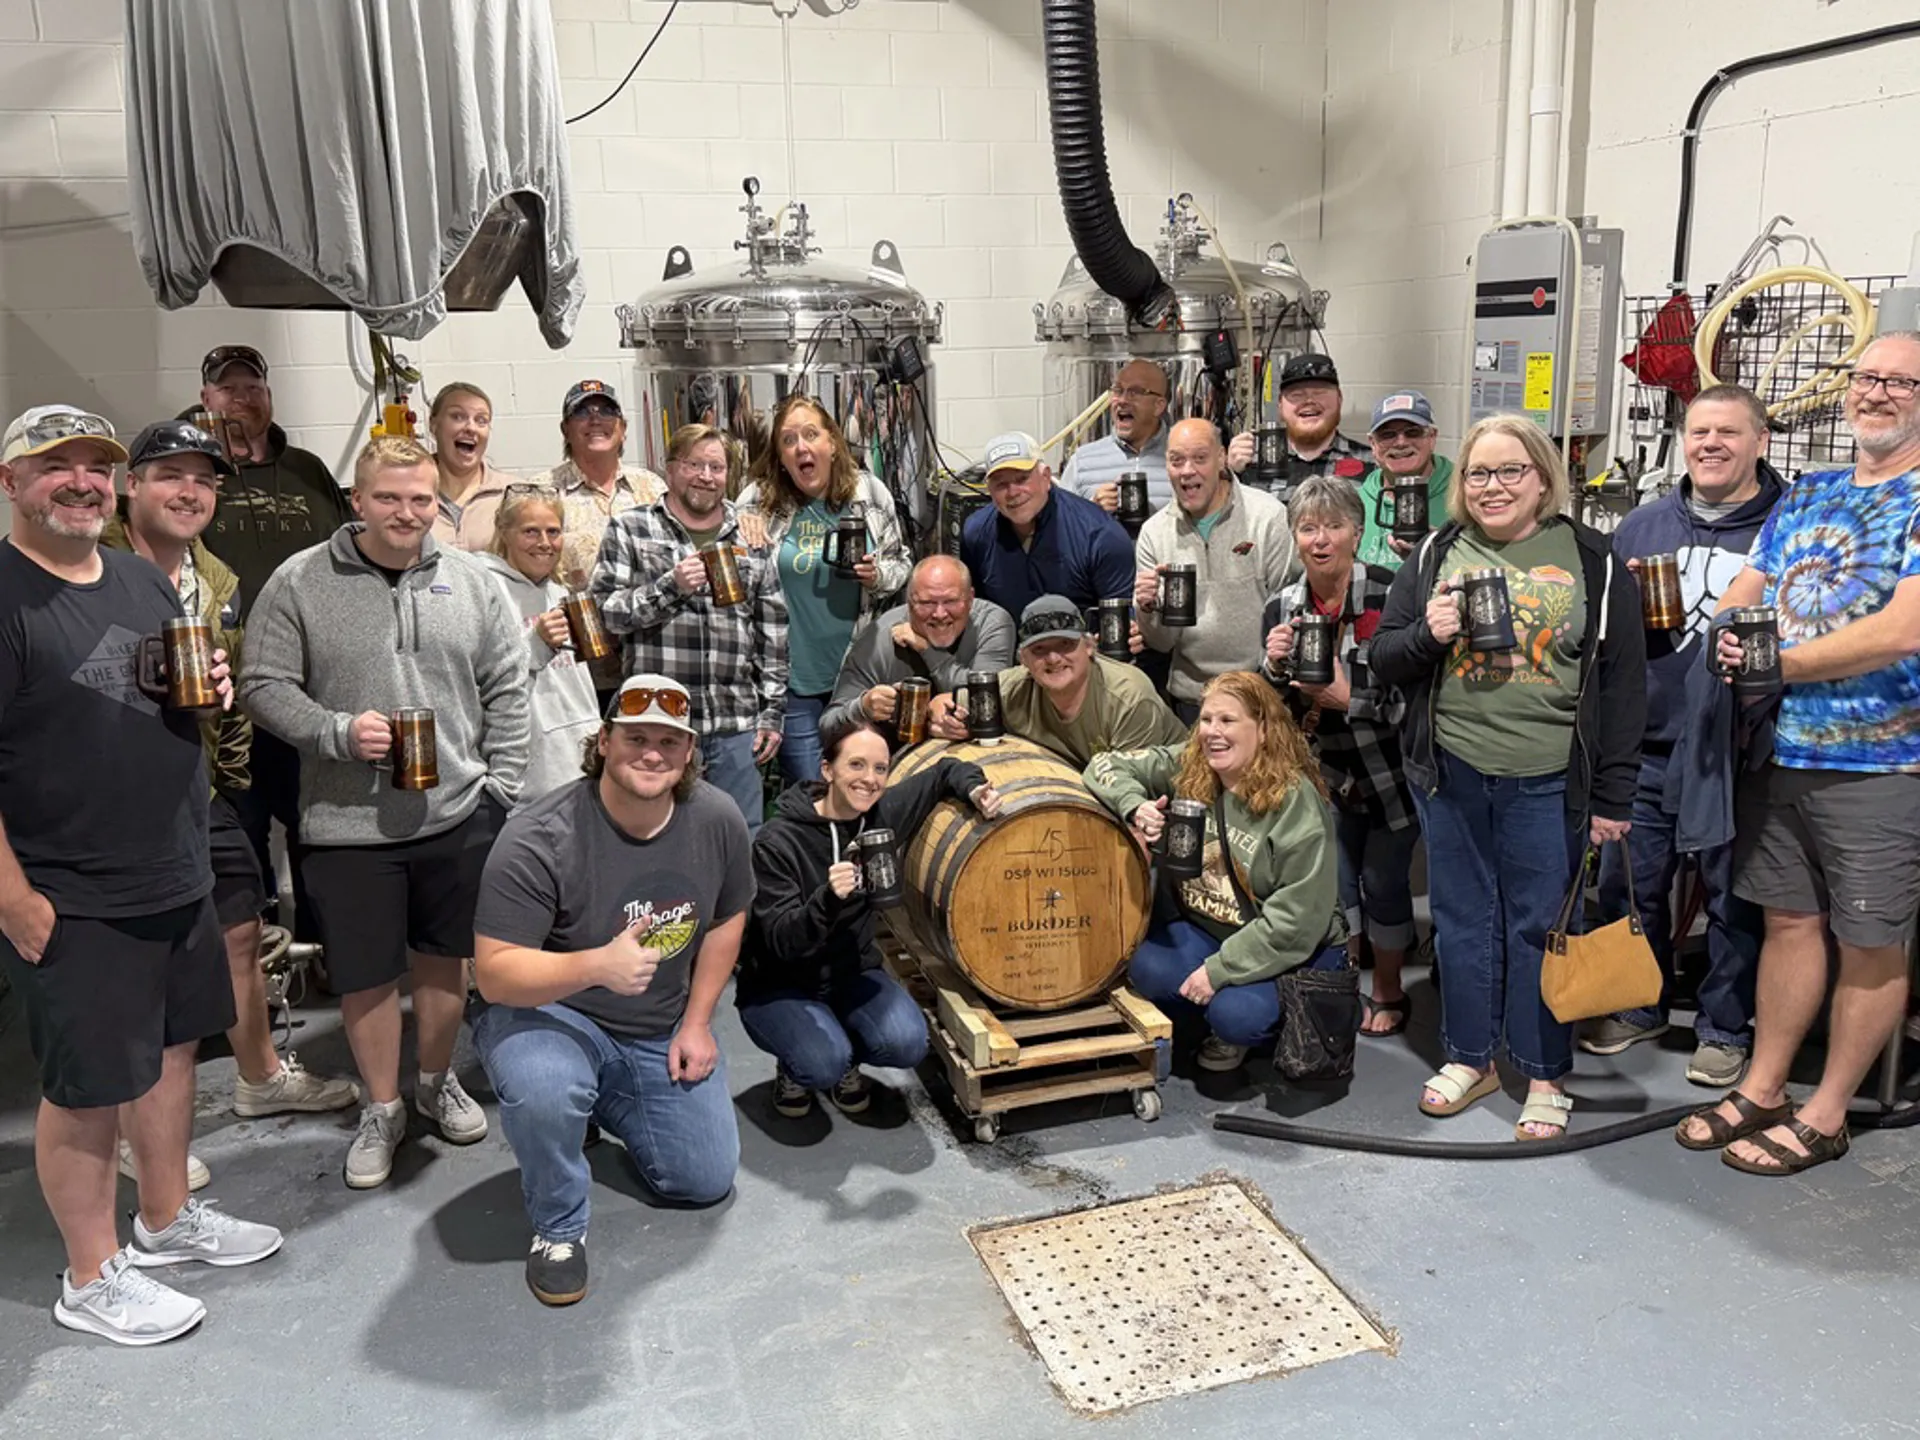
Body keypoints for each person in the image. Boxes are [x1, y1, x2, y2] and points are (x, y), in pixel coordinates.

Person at [0, 405, 282, 1347]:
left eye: (96, 466)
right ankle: (90, 1273)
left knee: (168, 1056)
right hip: (70, 889)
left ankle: (164, 1221)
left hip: (176, 864)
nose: (81, 481)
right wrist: (14, 900)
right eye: (55, 467)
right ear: (11, 484)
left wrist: (212, 692)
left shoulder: (137, 578)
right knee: (84, 1086)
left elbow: (159, 692)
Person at [241, 436, 530, 1189]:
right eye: (390, 498)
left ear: (439, 503)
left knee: (444, 961)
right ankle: (381, 1107)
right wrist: (337, 733)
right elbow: (263, 685)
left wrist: (502, 788)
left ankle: (435, 1082)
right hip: (345, 824)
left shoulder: (471, 581)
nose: (407, 513)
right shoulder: (299, 581)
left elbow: (507, 686)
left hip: (456, 812)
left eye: (421, 499)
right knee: (367, 976)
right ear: (357, 502)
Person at [1679, 333, 1920, 1176]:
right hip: (1785, 749)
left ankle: (1829, 1110)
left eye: (1899, 380)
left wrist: (1774, 659)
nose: (1876, 393)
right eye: (1866, 378)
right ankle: (1766, 1085)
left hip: (1887, 763)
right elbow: (1750, 588)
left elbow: (1904, 629)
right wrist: (1729, 634)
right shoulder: (1808, 493)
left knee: (1869, 939)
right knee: (1788, 922)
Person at [1372, 414, 1645, 1141]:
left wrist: (1614, 796)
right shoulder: (1436, 552)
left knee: (1541, 928)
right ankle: (1471, 1057)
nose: (1492, 487)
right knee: (1461, 922)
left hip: (1550, 778)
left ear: (1542, 478)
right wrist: (1426, 635)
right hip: (1454, 772)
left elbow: (1623, 690)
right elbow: (1384, 658)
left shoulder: (1596, 561)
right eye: (1478, 474)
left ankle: (1545, 1070)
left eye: (1510, 471)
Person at [106, 421, 359, 1192]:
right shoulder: (95, 568)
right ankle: (131, 1128)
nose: (189, 492)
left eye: (204, 480)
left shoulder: (210, 577)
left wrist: (232, 768)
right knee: (137, 961)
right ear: (132, 488)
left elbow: (234, 688)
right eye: (170, 476)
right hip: (115, 801)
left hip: (201, 787)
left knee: (241, 931)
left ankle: (259, 1076)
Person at [471, 675, 751, 1307]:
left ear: (688, 755)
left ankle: (600, 1101)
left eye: (668, 742)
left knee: (702, 1179)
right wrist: (596, 965)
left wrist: (699, 1021)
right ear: (603, 742)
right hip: (552, 1017)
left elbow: (729, 916)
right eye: (634, 738)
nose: (651, 754)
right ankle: (559, 1228)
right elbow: (493, 972)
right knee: (546, 1085)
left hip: (657, 1027)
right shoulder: (539, 835)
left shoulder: (716, 817)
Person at [1582, 385, 1781, 1084]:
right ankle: (1638, 1005)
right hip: (1647, 743)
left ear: (1761, 440)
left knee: (1734, 897)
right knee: (1628, 886)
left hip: (1740, 750)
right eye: (1699, 432)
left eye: (1729, 432)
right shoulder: (1639, 526)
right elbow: (1603, 634)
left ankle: (1725, 1028)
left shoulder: (1788, 523)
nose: (1711, 444)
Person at [1085, 671, 1350, 1072]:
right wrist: (1133, 804)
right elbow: (1103, 765)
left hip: (1294, 948)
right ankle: (1208, 1009)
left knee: (1236, 1015)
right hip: (1215, 927)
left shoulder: (1295, 801)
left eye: (1228, 721)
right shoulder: (1192, 766)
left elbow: (1296, 922)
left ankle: (1261, 1023)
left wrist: (1218, 971)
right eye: (1206, 720)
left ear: (1263, 730)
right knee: (1147, 968)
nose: (1213, 732)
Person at [741, 716, 1000, 1117]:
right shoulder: (778, 841)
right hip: (782, 984)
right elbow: (779, 940)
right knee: (819, 1063)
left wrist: (975, 789)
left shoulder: (881, 812)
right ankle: (799, 1063)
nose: (870, 779)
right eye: (856, 765)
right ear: (827, 769)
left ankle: (844, 1054)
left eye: (880, 768)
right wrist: (827, 900)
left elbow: (944, 771)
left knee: (908, 1043)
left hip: (851, 971)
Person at [192, 343, 353, 954]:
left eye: (252, 386)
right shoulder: (194, 471)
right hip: (225, 690)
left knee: (317, 821)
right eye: (227, 388)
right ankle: (261, 963)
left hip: (310, 685)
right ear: (207, 398)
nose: (241, 396)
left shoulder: (309, 470)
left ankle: (328, 947)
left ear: (268, 394)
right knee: (244, 824)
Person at [1262, 475, 1418, 1037]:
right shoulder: (1282, 605)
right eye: (1308, 527)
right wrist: (1274, 665)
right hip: (1323, 771)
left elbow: (1417, 695)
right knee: (1336, 884)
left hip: (1390, 767)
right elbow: (1271, 712)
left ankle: (1389, 986)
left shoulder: (1392, 590)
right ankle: (1344, 982)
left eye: (1334, 525)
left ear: (1358, 530)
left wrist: (1349, 699)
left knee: (1385, 882)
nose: (1321, 539)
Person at [589, 423, 787, 831]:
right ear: (671, 468)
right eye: (694, 464)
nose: (706, 477)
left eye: (716, 467)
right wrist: (670, 587)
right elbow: (606, 613)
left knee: (739, 842)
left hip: (735, 726)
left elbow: (773, 634)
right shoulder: (631, 529)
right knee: (656, 839)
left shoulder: (750, 537)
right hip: (658, 727)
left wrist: (771, 713)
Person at [737, 394, 910, 785]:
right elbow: (735, 585)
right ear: (780, 456)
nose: (801, 447)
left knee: (864, 782)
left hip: (859, 671)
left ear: (832, 442)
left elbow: (903, 564)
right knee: (813, 787)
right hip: (793, 677)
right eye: (788, 440)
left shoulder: (869, 493)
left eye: (811, 434)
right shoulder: (756, 501)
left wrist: (877, 575)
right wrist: (742, 530)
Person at [1134, 418, 1295, 722]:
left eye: (1199, 458)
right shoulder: (1154, 534)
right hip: (1192, 702)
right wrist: (1147, 608)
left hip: (1260, 697)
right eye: (1176, 460)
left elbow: (1286, 610)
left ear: (1221, 458)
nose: (1187, 471)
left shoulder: (1267, 515)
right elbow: (1161, 642)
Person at [526, 380, 665, 704]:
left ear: (623, 428)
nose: (595, 419)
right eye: (582, 412)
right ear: (565, 428)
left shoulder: (652, 487)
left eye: (606, 411)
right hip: (575, 670)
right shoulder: (542, 492)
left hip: (649, 663)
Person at [474, 487, 601, 808]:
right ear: (504, 532)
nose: (544, 542)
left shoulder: (561, 593)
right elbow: (479, 678)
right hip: (525, 774)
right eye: (530, 532)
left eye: (553, 532)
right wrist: (535, 644)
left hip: (578, 758)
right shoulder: (485, 589)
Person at [824, 554, 1016, 741]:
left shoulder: (992, 623)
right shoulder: (878, 638)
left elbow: (988, 704)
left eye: (951, 601)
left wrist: (928, 651)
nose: (940, 614)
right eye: (927, 603)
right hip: (898, 760)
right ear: (909, 603)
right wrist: (862, 708)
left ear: (971, 598)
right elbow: (828, 726)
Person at [958, 431, 1137, 623]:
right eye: (1001, 484)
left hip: (1079, 650)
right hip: (1007, 649)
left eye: (1021, 479)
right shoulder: (976, 534)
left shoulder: (1101, 535)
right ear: (989, 489)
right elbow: (977, 612)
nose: (1013, 492)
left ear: (1046, 477)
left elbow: (1119, 630)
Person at [992, 596, 1187, 769]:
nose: (1053, 658)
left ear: (1088, 647)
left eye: (1065, 644)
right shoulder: (1010, 689)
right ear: (1023, 660)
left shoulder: (1128, 697)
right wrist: (961, 721)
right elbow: (967, 703)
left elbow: (1134, 781)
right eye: (1039, 649)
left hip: (1169, 792)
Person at [1227, 353, 1372, 499]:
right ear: (1280, 405)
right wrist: (1230, 475)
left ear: (1339, 399)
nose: (1309, 400)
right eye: (1297, 394)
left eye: (1319, 392)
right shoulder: (1251, 460)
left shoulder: (1372, 463)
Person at [1354, 391, 1453, 571]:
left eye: (1413, 432)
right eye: (1387, 435)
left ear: (1432, 437)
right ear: (1372, 444)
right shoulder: (1355, 502)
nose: (1400, 442)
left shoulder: (1464, 493)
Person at [1063, 359, 1173, 515]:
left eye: (1135, 392)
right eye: (1118, 390)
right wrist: (1092, 510)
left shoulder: (1184, 460)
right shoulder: (1082, 462)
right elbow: (1060, 527)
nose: (1122, 400)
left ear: (1158, 405)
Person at [427, 381, 515, 553]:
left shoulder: (512, 494)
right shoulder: (409, 493)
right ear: (434, 424)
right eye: (457, 416)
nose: (471, 428)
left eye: (481, 420)